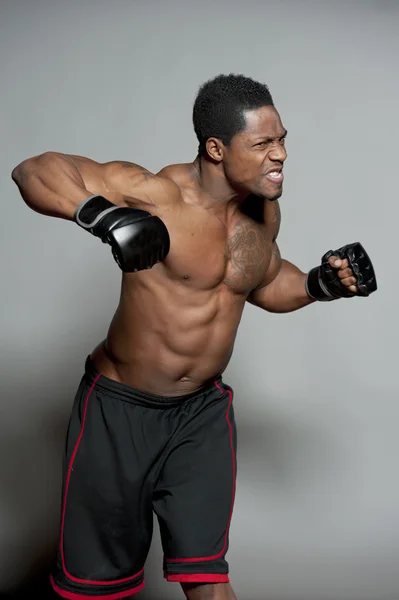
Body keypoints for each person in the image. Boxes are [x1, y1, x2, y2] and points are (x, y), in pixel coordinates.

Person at [11, 74, 377, 600]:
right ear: (216, 148)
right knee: (93, 588)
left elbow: (266, 280)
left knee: (208, 574)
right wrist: (104, 216)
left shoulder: (262, 211)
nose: (281, 155)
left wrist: (321, 284)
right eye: (262, 144)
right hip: (120, 413)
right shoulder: (158, 195)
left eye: (282, 140)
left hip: (201, 415)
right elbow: (33, 171)